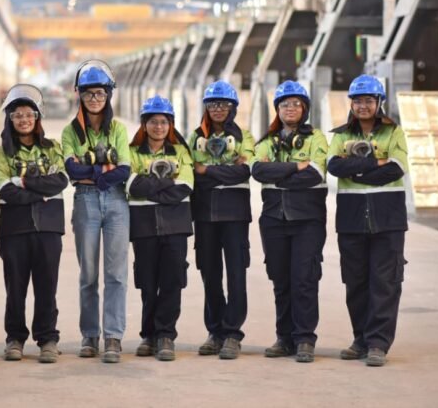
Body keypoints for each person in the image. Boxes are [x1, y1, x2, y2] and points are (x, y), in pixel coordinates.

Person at [327, 74, 409, 367]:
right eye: (358, 101)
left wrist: (357, 171)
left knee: (384, 282)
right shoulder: (341, 135)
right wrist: (377, 162)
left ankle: (378, 343)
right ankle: (360, 339)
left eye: (368, 100)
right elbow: (335, 165)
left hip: (388, 218)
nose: (363, 106)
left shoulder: (393, 131)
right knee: (356, 282)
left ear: (379, 103)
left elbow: (397, 168)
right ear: (351, 103)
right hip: (351, 218)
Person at [250, 80, 328, 363]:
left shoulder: (317, 138)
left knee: (304, 279)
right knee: (280, 280)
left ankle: (305, 338)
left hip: (307, 220)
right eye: (284, 104)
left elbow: (316, 173)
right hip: (273, 219)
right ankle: (284, 338)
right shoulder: (266, 141)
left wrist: (278, 173)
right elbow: (258, 170)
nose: (290, 108)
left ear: (304, 108)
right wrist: (296, 166)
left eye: (296, 104)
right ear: (277, 110)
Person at [61, 60, 131, 363]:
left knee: (116, 273)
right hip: (85, 200)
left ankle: (113, 337)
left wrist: (93, 172)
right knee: (88, 274)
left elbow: (124, 170)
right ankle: (90, 335)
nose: (94, 99)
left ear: (108, 95)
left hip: (116, 202)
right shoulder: (69, 132)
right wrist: (102, 169)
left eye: (100, 93)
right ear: (80, 95)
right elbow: (71, 171)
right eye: (89, 94)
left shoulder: (118, 129)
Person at [0, 84, 69, 363]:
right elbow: (4, 191)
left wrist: (22, 181)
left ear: (37, 118)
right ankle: (15, 338)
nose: (24, 119)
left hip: (49, 228)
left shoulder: (52, 149)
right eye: (18, 115)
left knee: (47, 286)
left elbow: (60, 180)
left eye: (29, 114)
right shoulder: (3, 155)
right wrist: (40, 191)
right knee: (16, 287)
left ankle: (47, 338)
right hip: (14, 230)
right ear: (10, 119)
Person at [188, 80, 254, 360]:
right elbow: (191, 171)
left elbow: (244, 172)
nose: (218, 109)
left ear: (233, 108)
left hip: (235, 216)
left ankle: (232, 334)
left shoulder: (246, 137)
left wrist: (207, 171)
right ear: (206, 107)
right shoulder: (194, 137)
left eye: (224, 104)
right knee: (210, 275)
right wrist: (221, 169)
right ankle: (215, 331)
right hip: (204, 215)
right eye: (213, 104)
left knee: (237, 275)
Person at [126, 95, 193, 362]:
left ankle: (165, 335)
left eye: (164, 122)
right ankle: (148, 335)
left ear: (171, 125)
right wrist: (165, 186)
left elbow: (185, 187)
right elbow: (130, 186)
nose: (158, 127)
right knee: (147, 282)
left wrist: (149, 187)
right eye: (153, 121)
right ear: (144, 124)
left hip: (176, 226)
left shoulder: (181, 152)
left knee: (172, 281)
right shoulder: (131, 153)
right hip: (143, 227)